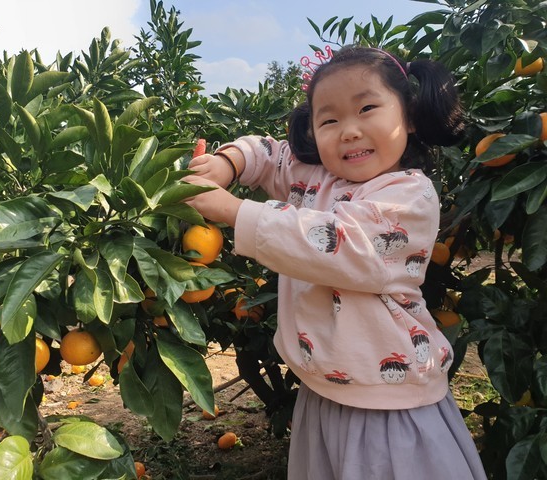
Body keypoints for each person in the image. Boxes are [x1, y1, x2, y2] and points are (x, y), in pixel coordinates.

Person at [184, 46, 486, 479]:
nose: (349, 131)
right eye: (329, 120)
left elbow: (340, 244)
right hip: (323, 389)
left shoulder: (408, 194)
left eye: (366, 108)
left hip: (388, 401)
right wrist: (226, 163)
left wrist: (234, 211)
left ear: (409, 115)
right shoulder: (316, 178)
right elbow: (269, 152)